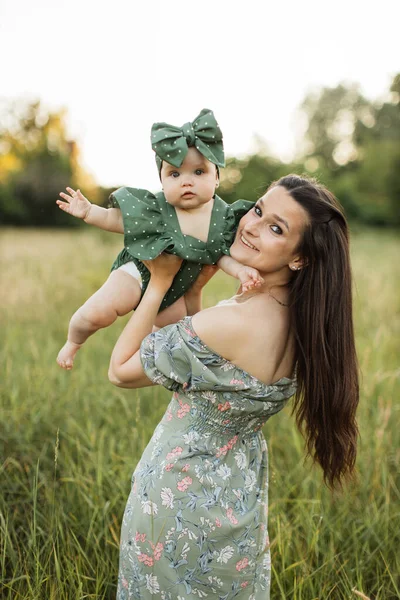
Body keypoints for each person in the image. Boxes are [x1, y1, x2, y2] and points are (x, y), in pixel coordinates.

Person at [108, 174, 359, 599]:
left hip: (175, 497)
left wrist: (160, 283)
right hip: (236, 499)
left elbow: (121, 370)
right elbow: (210, 367)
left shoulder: (234, 323)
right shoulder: (310, 327)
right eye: (258, 210)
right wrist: (198, 290)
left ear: (300, 258)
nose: (251, 225)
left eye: (276, 228)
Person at [55, 109, 262, 370]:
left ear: (217, 177)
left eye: (199, 172)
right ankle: (74, 340)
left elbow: (223, 257)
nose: (187, 182)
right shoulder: (157, 208)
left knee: (173, 332)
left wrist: (242, 271)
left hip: (176, 288)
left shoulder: (223, 219)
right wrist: (88, 212)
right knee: (97, 312)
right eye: (175, 174)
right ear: (162, 182)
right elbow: (117, 220)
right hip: (138, 272)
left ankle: (153, 358)